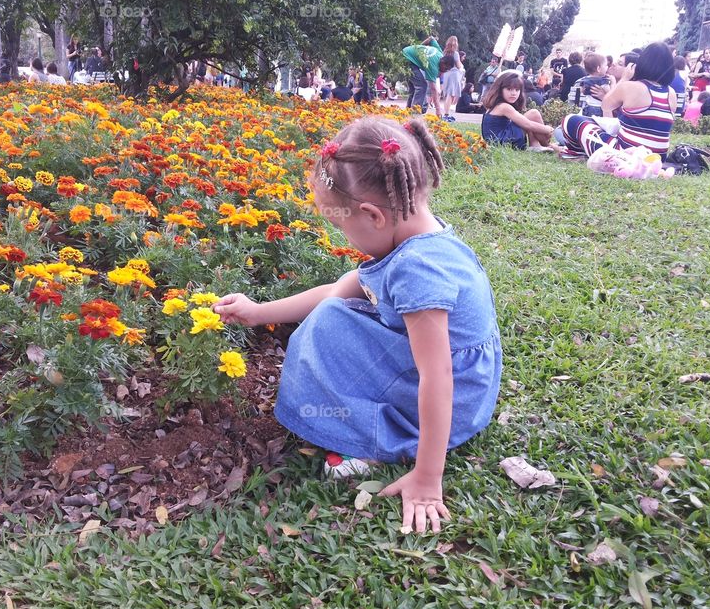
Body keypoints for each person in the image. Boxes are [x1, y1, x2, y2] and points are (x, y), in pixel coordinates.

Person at [212, 116, 501, 533]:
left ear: (372, 215)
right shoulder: (419, 238)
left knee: (328, 327)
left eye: (341, 227)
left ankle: (381, 442)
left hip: (450, 402)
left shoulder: (418, 270)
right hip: (455, 385)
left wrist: (426, 479)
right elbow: (337, 291)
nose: (345, 238)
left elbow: (437, 377)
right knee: (333, 314)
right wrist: (258, 310)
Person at [560, 41, 677, 161]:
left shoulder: (631, 86)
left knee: (571, 120)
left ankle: (577, 153)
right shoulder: (671, 93)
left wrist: (625, 78)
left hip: (625, 155)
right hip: (657, 159)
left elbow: (606, 105)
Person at [481, 70, 558, 151]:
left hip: (497, 141)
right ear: (500, 89)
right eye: (509, 89)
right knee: (533, 114)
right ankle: (547, 145)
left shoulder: (496, 105)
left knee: (528, 117)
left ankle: (537, 145)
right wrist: (549, 130)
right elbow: (528, 124)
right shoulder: (504, 106)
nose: (513, 93)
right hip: (502, 142)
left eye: (517, 90)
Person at [402, 36, 443, 114]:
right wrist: (438, 110)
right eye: (444, 70)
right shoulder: (433, 66)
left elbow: (431, 39)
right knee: (422, 86)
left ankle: (408, 113)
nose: (442, 74)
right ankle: (415, 114)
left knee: (414, 89)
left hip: (406, 54)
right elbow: (433, 89)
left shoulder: (440, 53)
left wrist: (418, 48)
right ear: (444, 64)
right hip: (408, 60)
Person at [439, 37, 464, 122]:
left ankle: (446, 113)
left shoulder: (444, 53)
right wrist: (461, 66)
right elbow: (458, 66)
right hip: (454, 74)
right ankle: (446, 114)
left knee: (448, 95)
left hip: (446, 74)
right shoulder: (455, 53)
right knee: (451, 94)